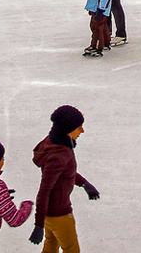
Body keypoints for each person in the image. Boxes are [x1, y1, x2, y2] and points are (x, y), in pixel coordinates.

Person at [31, 104, 99, 253]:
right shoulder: (61, 154)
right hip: (60, 215)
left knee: (50, 245)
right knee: (71, 249)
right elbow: (44, 190)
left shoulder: (52, 143)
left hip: (50, 215)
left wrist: (84, 183)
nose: (82, 131)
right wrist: (38, 225)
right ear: (68, 130)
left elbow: (65, 172)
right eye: (79, 127)